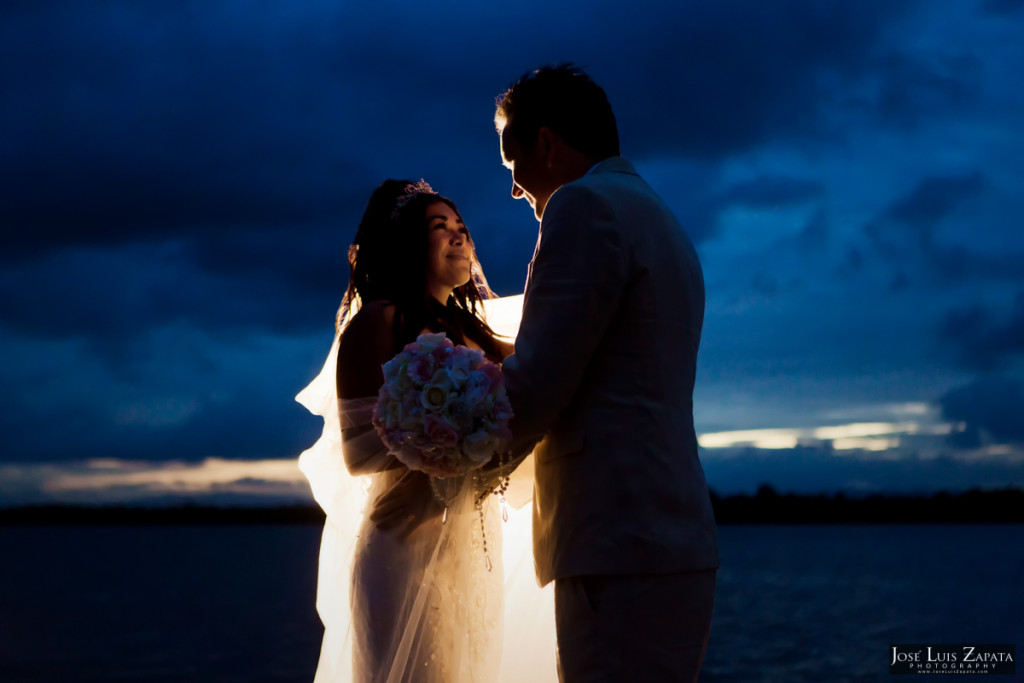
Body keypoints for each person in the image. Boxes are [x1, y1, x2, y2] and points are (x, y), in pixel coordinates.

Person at [495, 64, 720, 682]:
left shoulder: (584, 206)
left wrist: (450, 457)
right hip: (665, 534)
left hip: (617, 541)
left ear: (545, 142)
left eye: (510, 160)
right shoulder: (661, 217)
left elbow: (540, 381)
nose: (514, 190)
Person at [296, 179, 529, 682]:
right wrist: (448, 448)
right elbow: (359, 454)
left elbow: (534, 394)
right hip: (400, 546)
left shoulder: (479, 336)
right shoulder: (378, 321)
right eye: (439, 227)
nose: (458, 236)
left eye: (462, 227)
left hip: (469, 547)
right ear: (408, 245)